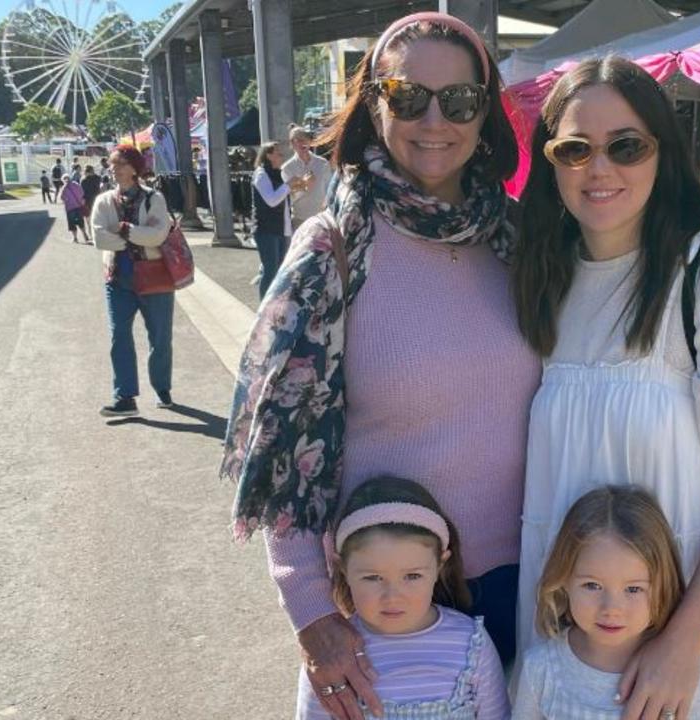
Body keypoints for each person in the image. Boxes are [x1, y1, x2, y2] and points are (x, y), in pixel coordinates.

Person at [220, 12, 532, 720]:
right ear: (372, 104)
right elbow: (284, 454)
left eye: (458, 100)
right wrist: (309, 611)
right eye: (406, 96)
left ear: (485, 113)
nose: (434, 119)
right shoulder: (332, 249)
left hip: (527, 582)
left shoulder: (518, 239)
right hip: (388, 599)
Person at [513, 57, 700, 720]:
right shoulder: (542, 279)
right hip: (569, 633)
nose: (599, 167)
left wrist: (681, 645)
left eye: (626, 145)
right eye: (575, 147)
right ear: (549, 159)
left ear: (661, 153)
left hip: (684, 636)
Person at [296, 476, 509, 719]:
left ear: (440, 565)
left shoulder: (472, 644)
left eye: (412, 576)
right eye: (373, 577)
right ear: (342, 568)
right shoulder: (330, 654)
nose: (392, 597)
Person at [512, 486, 700, 719]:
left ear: (663, 587)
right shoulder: (542, 670)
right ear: (563, 580)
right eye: (592, 586)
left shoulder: (679, 675)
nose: (611, 608)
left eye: (633, 589)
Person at [90, 145, 176, 417]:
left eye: (121, 164)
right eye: (113, 164)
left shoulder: (155, 199)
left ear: (135, 168)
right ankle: (125, 397)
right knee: (119, 337)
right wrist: (140, 233)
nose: (114, 168)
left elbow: (158, 235)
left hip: (154, 274)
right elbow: (100, 238)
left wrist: (125, 230)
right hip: (118, 277)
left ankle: (162, 387)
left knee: (160, 337)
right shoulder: (104, 201)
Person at [249, 141, 291, 299]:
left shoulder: (277, 173)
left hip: (280, 228)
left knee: (279, 270)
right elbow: (271, 200)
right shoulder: (261, 174)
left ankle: (273, 305)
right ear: (268, 155)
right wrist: (289, 186)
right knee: (270, 269)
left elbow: (283, 202)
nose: (282, 156)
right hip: (265, 229)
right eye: (278, 153)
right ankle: (264, 306)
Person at [283, 125, 332, 231]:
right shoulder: (287, 168)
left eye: (306, 139)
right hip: (300, 221)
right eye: (299, 140)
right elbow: (288, 199)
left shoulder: (323, 163)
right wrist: (304, 186)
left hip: (321, 220)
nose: (303, 142)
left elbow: (330, 191)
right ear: (292, 143)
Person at [58, 174, 90, 243]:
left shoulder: (64, 187)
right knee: (80, 222)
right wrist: (79, 199)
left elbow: (61, 197)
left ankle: (75, 238)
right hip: (78, 206)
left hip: (70, 208)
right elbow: (82, 192)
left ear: (63, 180)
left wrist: (67, 199)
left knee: (72, 223)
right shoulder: (76, 184)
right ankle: (85, 234)